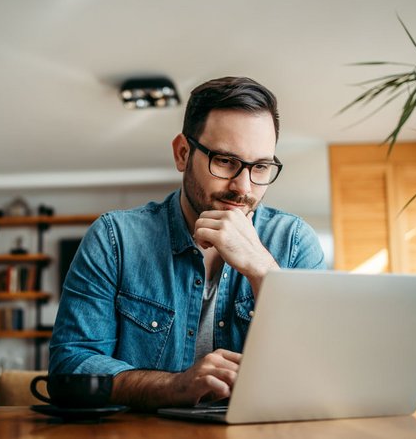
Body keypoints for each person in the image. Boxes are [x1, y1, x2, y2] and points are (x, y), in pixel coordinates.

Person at [49, 76, 325, 410]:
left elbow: (323, 374)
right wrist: (174, 386)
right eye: (225, 161)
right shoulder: (114, 239)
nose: (244, 187)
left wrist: (263, 272)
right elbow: (71, 366)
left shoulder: (295, 243)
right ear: (182, 153)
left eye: (261, 167)